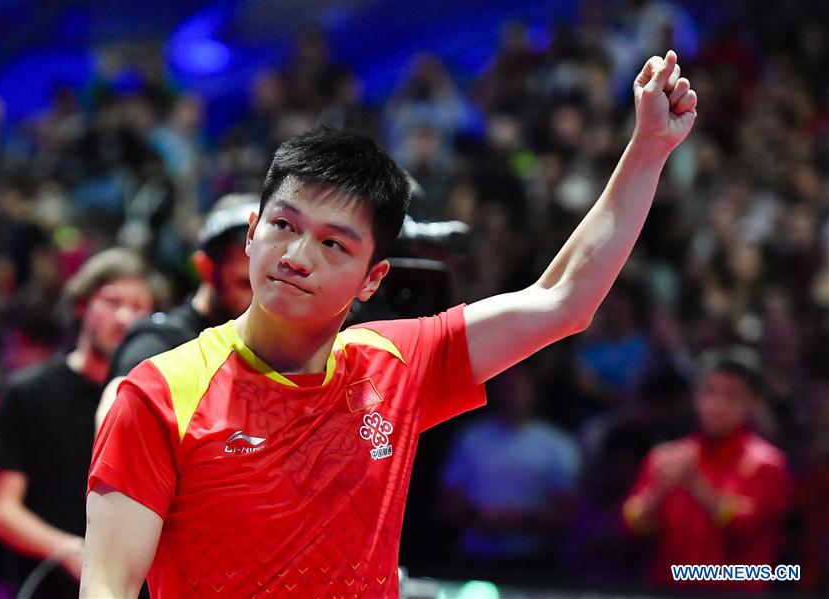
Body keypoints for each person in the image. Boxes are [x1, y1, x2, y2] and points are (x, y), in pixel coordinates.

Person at [82, 50, 697, 598]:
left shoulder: (396, 363)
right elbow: (108, 586)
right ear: (251, 234)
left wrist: (647, 149)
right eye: (284, 226)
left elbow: (564, 298)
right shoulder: (160, 394)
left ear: (373, 279)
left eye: (334, 245)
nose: (297, 256)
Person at [0, 248, 158, 597]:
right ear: (81, 305)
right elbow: (1, 508)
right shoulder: (28, 393)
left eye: (139, 307)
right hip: (48, 585)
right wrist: (73, 551)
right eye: (112, 301)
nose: (125, 318)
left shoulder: (153, 398)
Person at [622, 346, 792, 593]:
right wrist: (659, 493)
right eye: (709, 392)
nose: (717, 404)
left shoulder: (768, 464)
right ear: (695, 396)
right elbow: (631, 525)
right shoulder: (666, 457)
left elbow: (749, 527)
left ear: (752, 402)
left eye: (732, 395)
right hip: (667, 591)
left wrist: (696, 486)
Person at [95, 195, 256, 431]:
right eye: (244, 284)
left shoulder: (279, 351)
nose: (258, 299)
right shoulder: (162, 340)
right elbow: (116, 412)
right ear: (205, 268)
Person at [440, 364, 581, 582]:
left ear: (534, 391)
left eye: (519, 387)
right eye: (506, 387)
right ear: (495, 390)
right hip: (475, 560)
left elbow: (568, 511)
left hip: (534, 562)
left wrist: (519, 521)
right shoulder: (471, 438)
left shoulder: (557, 444)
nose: (513, 393)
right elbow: (448, 501)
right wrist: (479, 518)